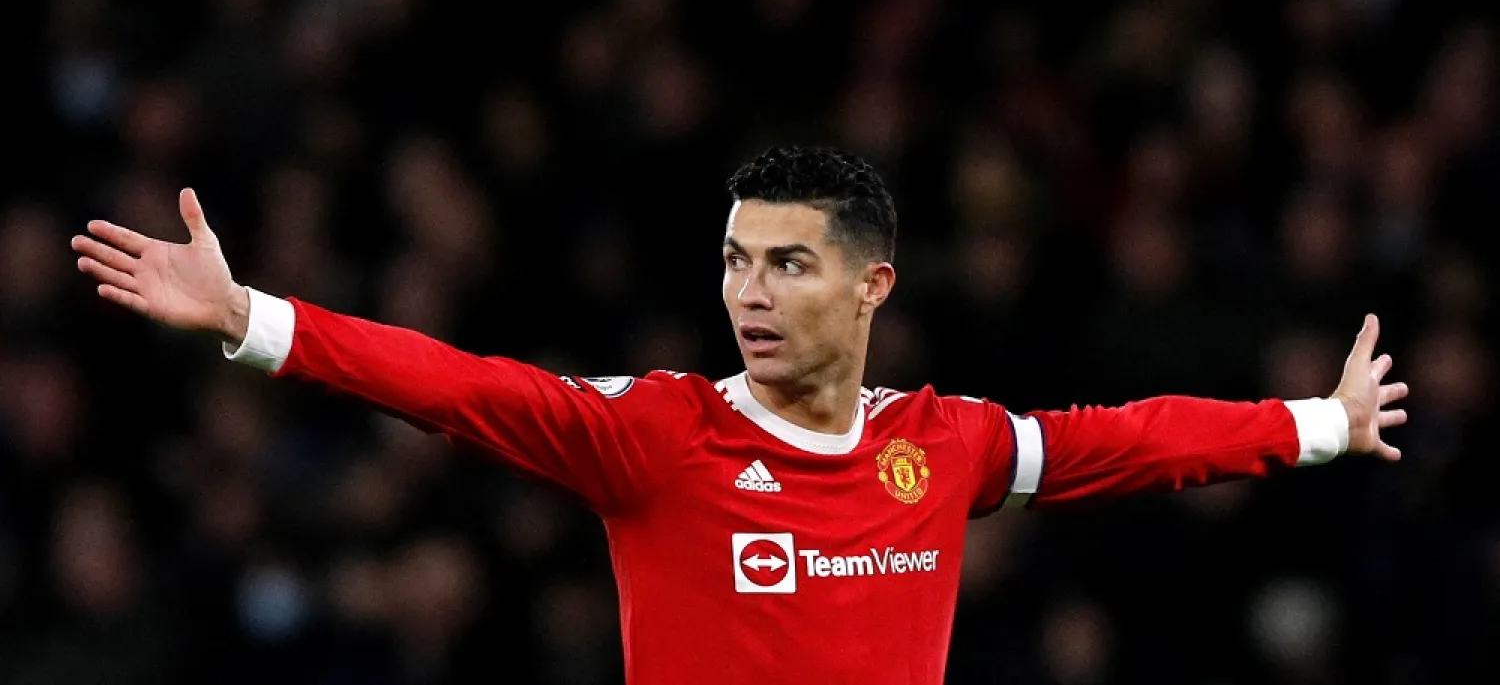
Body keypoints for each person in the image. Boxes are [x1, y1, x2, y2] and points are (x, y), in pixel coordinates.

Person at [70, 145, 1408, 684]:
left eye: (785, 263)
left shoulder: (939, 447)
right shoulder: (658, 436)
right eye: (730, 261)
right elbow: (461, 387)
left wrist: (1326, 426)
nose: (748, 294)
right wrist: (253, 322)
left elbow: (1130, 444)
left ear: (872, 283)